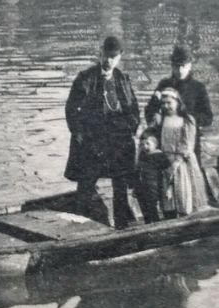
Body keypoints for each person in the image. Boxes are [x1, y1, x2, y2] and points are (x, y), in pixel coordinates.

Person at [64, 36, 154, 228]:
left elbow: (133, 110)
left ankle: (121, 226)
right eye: (106, 55)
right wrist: (79, 133)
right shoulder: (86, 78)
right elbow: (71, 110)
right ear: (100, 52)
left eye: (113, 57)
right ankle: (77, 228)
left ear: (120, 57)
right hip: (93, 143)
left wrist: (131, 129)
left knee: (120, 186)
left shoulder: (122, 79)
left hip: (118, 143)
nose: (109, 61)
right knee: (86, 186)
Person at [144, 88, 215, 217]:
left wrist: (176, 164)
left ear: (177, 102)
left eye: (169, 103)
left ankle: (187, 219)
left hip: (183, 162)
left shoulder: (187, 120)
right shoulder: (160, 119)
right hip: (165, 161)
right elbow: (150, 132)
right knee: (167, 198)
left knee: (183, 194)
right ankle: (170, 218)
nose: (166, 106)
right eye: (163, 103)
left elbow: (188, 145)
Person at [145, 45, 214, 161]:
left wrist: (184, 117)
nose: (180, 70)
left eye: (184, 66)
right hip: (165, 139)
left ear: (190, 66)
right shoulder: (164, 85)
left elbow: (208, 118)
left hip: (188, 142)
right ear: (172, 66)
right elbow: (149, 113)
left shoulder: (198, 88)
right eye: (177, 66)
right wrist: (155, 113)